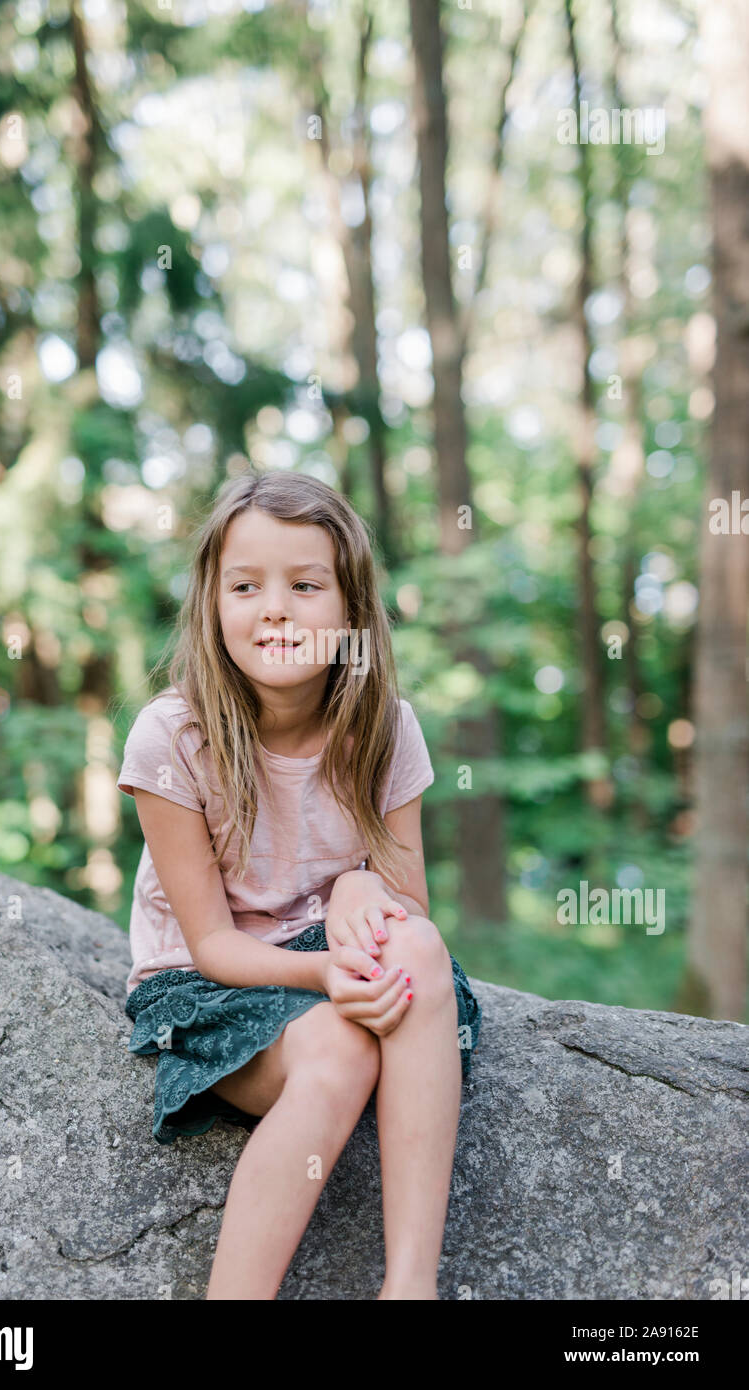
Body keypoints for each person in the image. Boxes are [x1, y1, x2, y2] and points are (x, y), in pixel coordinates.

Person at [116, 469, 482, 1300]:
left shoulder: (384, 726)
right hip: (210, 983)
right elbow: (210, 943)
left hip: (330, 958)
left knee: (414, 945)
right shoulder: (173, 737)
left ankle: (409, 1286)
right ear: (213, 603)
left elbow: (411, 908)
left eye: (305, 585)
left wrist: (361, 889)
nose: (273, 608)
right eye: (245, 586)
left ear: (351, 610)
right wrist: (322, 974)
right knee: (340, 1041)